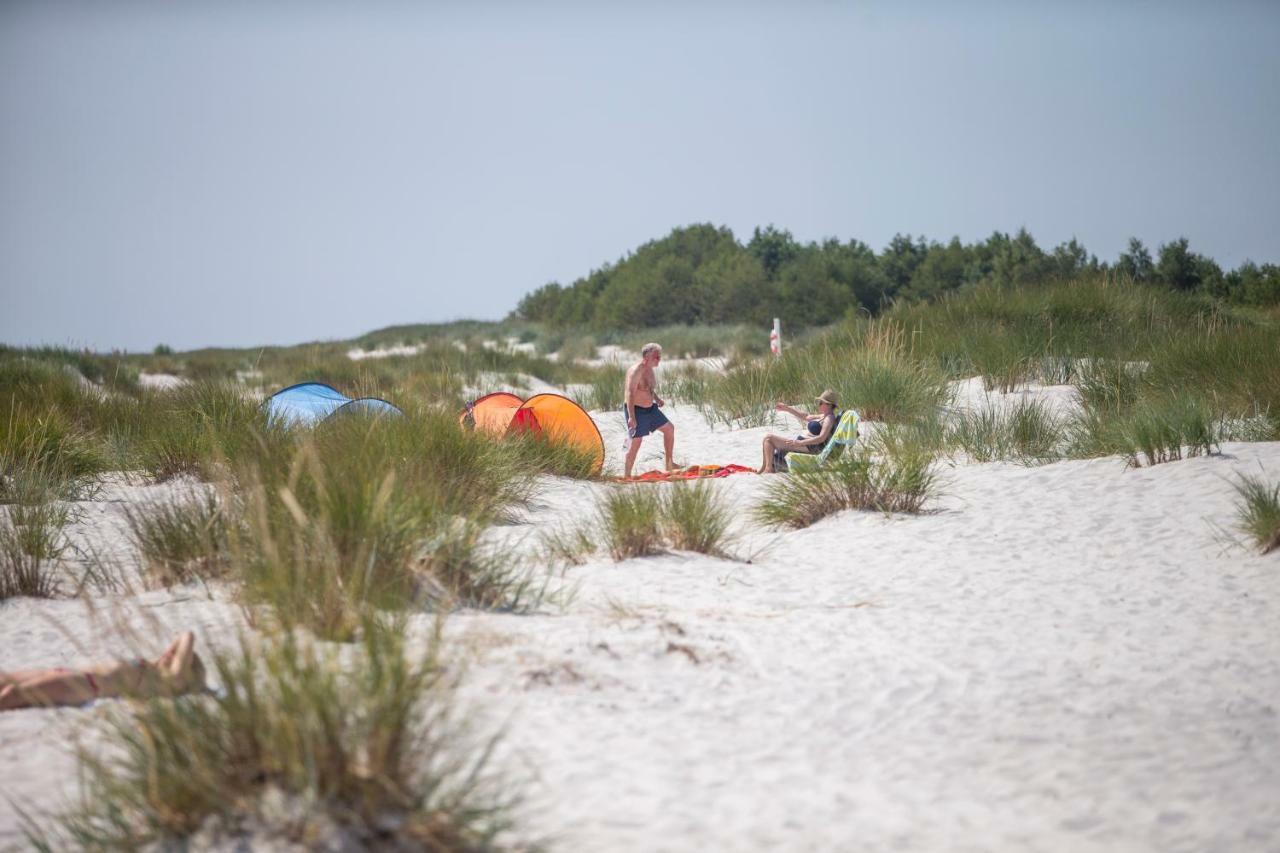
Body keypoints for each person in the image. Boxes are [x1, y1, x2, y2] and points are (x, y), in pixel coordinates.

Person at [0, 632, 208, 711]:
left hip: (83, 685)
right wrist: (166, 656)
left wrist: (176, 657)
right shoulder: (153, 669)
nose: (168, 654)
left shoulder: (169, 680)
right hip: (67, 673)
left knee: (13, 694)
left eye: (173, 656)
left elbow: (187, 635)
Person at [623, 342, 676, 478]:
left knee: (669, 428)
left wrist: (656, 399)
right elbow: (630, 393)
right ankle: (627, 474)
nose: (659, 359)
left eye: (659, 357)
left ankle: (669, 464)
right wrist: (631, 417)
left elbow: (648, 389)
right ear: (647, 356)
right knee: (636, 442)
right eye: (656, 357)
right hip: (636, 410)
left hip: (650, 409)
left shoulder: (650, 370)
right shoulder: (636, 371)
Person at [758, 389, 839, 473]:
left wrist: (800, 443)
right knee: (767, 439)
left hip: (809, 446)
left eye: (821, 402)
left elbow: (821, 438)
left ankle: (768, 469)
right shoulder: (824, 416)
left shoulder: (829, 419)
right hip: (804, 443)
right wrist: (787, 408)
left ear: (829, 405)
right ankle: (764, 468)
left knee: (769, 438)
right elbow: (806, 416)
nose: (819, 405)